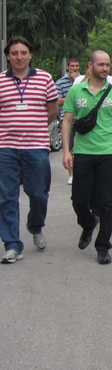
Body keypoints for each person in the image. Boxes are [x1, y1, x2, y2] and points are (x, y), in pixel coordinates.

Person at [62, 51, 112, 265]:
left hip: (108, 152)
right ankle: (88, 223)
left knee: (106, 202)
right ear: (89, 65)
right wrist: (66, 151)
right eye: (100, 64)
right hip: (82, 151)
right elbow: (66, 122)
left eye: (107, 65)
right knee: (79, 200)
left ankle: (103, 246)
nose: (105, 68)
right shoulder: (76, 90)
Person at [0, 37, 58, 264]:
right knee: (7, 197)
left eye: (23, 52)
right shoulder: (1, 81)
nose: (19, 57)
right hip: (6, 147)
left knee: (38, 193)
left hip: (36, 146)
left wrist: (34, 127)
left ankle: (35, 226)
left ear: (30, 55)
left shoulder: (44, 78)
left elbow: (52, 110)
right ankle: (12, 245)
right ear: (7, 56)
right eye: (14, 53)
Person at [56, 57, 80, 185]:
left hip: (81, 119)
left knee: (81, 148)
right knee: (69, 147)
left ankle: (81, 172)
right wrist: (73, 98)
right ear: (67, 67)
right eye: (72, 66)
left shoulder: (83, 80)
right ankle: (71, 174)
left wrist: (76, 81)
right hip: (67, 119)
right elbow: (58, 100)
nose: (74, 69)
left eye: (76, 66)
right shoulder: (60, 82)